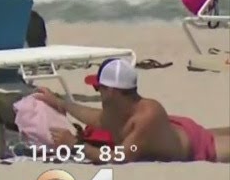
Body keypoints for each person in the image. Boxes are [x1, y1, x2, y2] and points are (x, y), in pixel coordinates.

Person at [35, 59, 229, 163]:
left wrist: (75, 144)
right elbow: (95, 118)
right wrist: (61, 103)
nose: (97, 92)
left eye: (98, 87)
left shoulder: (147, 116)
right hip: (178, 131)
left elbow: (122, 156)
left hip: (199, 148)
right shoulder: (118, 108)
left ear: (111, 91)